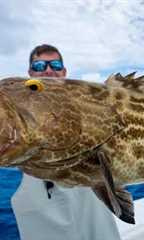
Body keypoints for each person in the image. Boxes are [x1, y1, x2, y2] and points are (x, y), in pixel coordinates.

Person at [11, 44, 121, 240]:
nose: (48, 70)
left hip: (93, 204)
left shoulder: (91, 104)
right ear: (30, 73)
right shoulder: (18, 109)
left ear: (64, 71)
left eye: (55, 64)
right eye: (39, 66)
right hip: (46, 205)